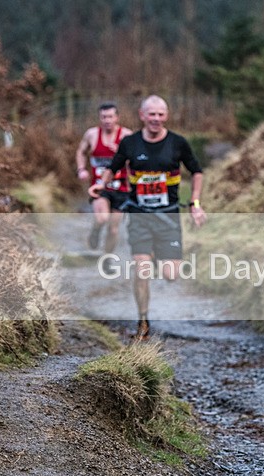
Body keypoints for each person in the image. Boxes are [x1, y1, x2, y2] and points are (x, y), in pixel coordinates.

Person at [89, 95, 207, 340]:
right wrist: (101, 186)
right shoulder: (130, 143)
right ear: (142, 115)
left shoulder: (178, 143)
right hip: (140, 216)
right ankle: (143, 320)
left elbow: (196, 171)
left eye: (160, 114)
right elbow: (113, 168)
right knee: (140, 271)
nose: (156, 119)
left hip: (168, 216)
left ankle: (155, 257)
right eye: (151, 114)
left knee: (171, 275)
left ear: (166, 115)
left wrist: (195, 203)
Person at [75, 102, 133, 253]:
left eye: (110, 117)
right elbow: (81, 151)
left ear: (117, 118)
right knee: (102, 218)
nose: (107, 120)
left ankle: (107, 257)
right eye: (103, 117)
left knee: (113, 230)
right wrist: (81, 169)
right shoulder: (92, 134)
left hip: (121, 187)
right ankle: (96, 230)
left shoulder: (127, 136)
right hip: (100, 186)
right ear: (99, 118)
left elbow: (137, 160)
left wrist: (122, 154)